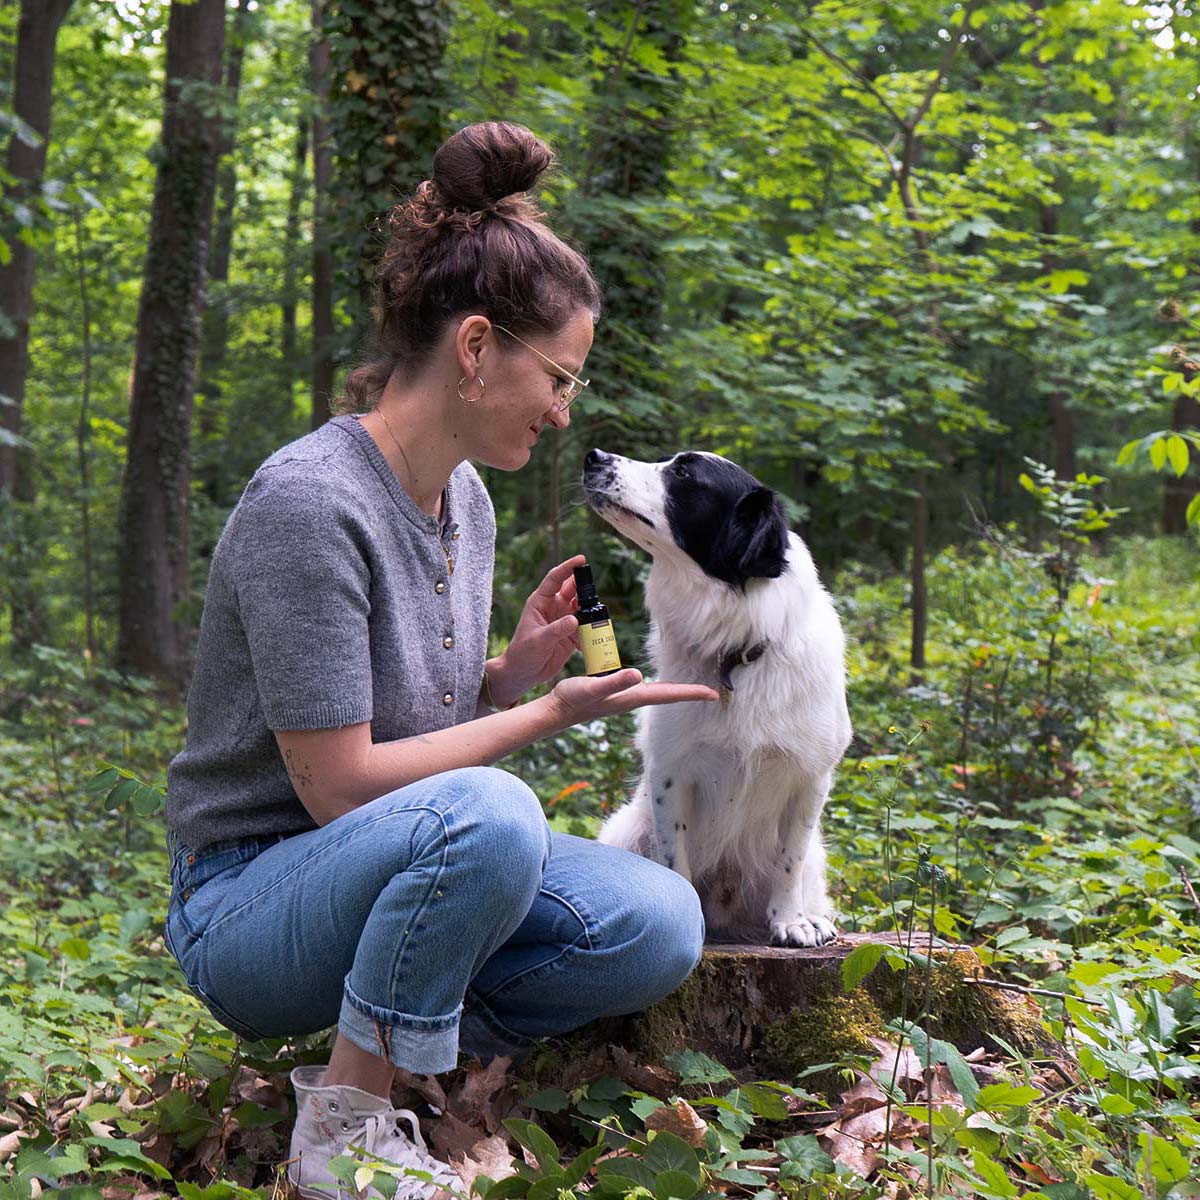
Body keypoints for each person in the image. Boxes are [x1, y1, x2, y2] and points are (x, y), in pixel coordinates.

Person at [161, 121, 718, 1200]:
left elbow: (418, 739)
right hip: (248, 903)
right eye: (556, 378)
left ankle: (392, 1041)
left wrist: (506, 674)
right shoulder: (308, 506)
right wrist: (544, 716)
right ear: (475, 349)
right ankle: (345, 1130)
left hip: (392, 861)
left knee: (659, 919)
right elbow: (339, 790)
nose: (564, 413)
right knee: (496, 813)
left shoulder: (465, 497)